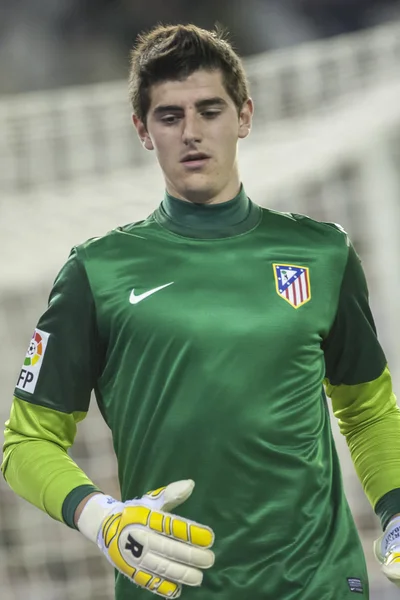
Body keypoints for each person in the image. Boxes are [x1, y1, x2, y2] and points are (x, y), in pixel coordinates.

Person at [2, 23, 400, 600]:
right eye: (169, 116)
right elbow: (26, 442)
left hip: (319, 585)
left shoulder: (323, 253)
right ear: (143, 130)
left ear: (244, 116)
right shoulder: (97, 271)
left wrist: (395, 510)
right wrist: (100, 516)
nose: (191, 132)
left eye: (210, 110)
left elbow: (366, 409)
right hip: (168, 587)